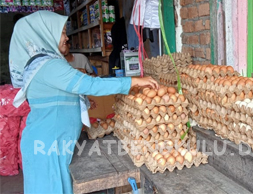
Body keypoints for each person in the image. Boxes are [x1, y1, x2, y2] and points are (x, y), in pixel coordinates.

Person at [9, 11, 158, 194]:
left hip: (51, 143)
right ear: (46, 35)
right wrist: (133, 81)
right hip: (47, 147)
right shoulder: (49, 66)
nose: (66, 38)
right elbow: (90, 84)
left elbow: (59, 96)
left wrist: (79, 102)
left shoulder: (43, 65)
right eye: (62, 33)